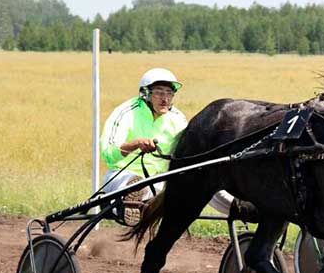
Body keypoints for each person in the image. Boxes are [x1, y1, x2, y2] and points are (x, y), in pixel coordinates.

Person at [100, 68, 237, 225]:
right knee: (133, 183)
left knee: (203, 178)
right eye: (159, 92)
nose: (165, 98)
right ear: (145, 93)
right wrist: (136, 144)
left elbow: (191, 150)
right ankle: (128, 202)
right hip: (121, 176)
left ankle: (239, 208)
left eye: (169, 93)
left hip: (163, 180)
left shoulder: (177, 118)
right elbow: (109, 153)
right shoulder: (125, 113)